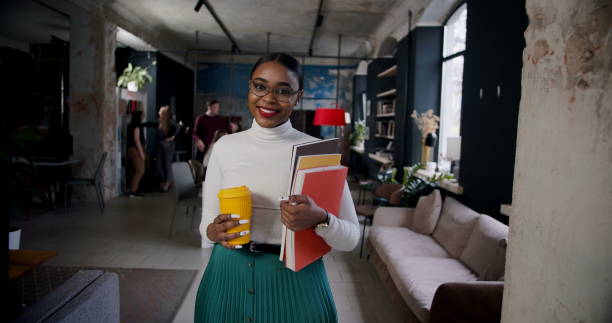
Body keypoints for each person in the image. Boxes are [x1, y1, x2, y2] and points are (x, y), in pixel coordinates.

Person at [195, 53, 359, 323]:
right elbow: (206, 227)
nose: (269, 99)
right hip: (226, 277)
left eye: (283, 91)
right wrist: (214, 230)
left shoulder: (318, 153)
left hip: (296, 283)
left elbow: (352, 238)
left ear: (298, 97)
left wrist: (321, 219)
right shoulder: (225, 147)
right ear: (250, 87)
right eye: (260, 86)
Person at [156, 106, 177, 192]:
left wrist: (172, 137)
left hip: (168, 145)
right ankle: (164, 181)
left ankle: (167, 183)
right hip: (160, 145)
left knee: (167, 164)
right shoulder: (159, 122)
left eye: (160, 111)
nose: (159, 112)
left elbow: (177, 130)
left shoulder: (171, 123)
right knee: (158, 164)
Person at [126, 110, 146, 198]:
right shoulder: (137, 126)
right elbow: (137, 140)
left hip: (131, 149)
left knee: (134, 170)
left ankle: (134, 189)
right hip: (135, 149)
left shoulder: (131, 126)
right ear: (138, 117)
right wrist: (142, 153)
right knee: (140, 170)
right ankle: (133, 191)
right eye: (142, 116)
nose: (143, 117)